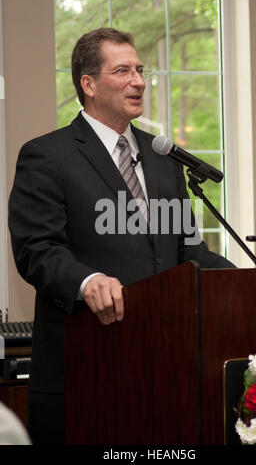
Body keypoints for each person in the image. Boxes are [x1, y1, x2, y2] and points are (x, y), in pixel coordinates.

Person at [8, 27, 235, 444]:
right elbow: (36, 249)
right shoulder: (47, 156)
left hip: (166, 373)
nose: (139, 81)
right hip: (86, 369)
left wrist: (246, 283)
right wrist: (87, 280)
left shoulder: (163, 156)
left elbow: (187, 249)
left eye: (141, 70)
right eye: (123, 71)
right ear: (89, 84)